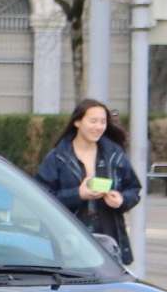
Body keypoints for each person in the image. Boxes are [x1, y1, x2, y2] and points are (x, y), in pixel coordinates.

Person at [33, 97, 141, 264]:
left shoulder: (114, 155)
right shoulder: (58, 157)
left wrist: (122, 199)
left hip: (109, 236)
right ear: (77, 122)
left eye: (103, 122)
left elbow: (133, 188)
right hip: (68, 240)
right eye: (93, 121)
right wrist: (78, 194)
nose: (98, 127)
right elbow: (40, 197)